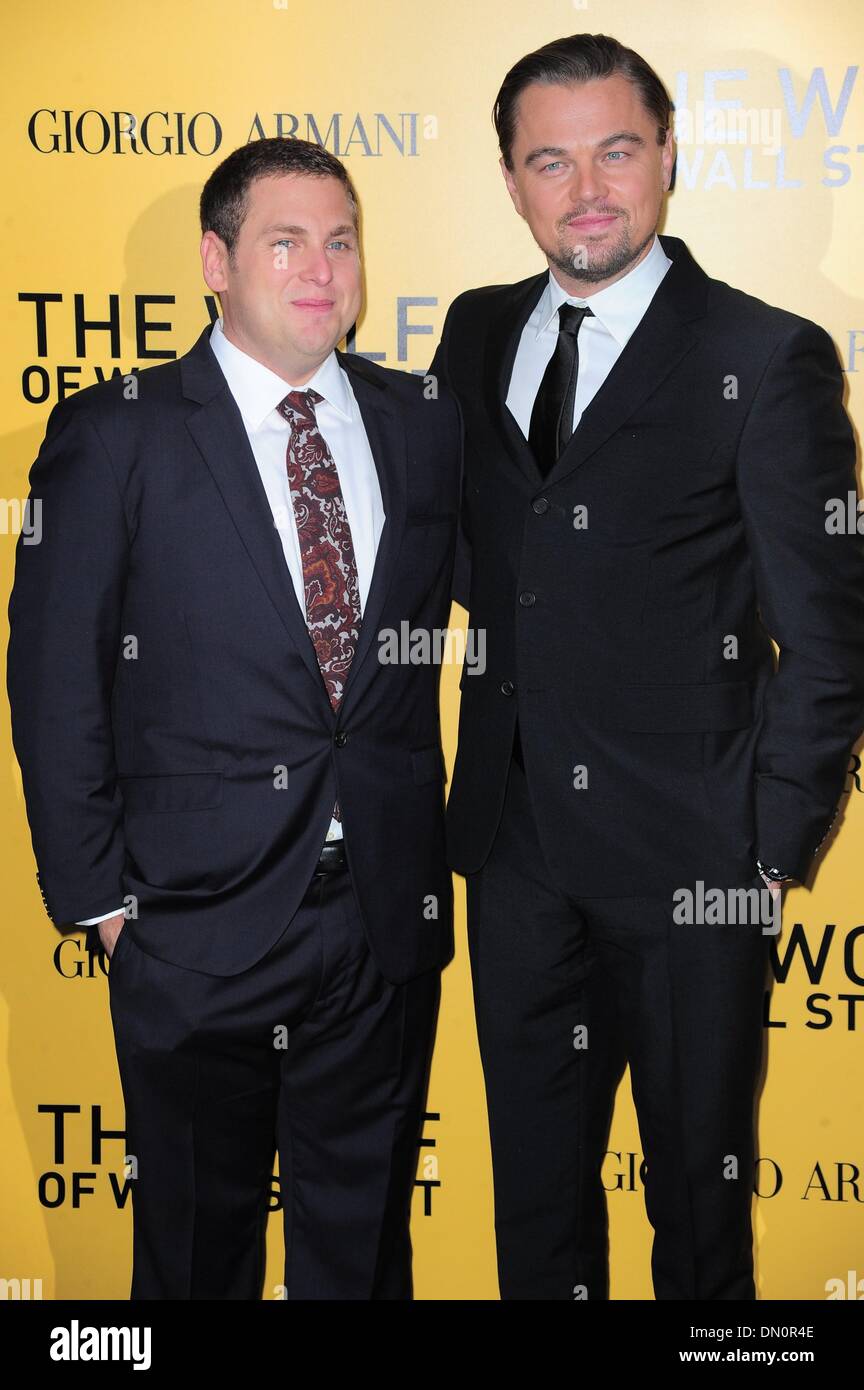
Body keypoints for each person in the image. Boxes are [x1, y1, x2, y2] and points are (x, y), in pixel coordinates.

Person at [430, 32, 864, 1299]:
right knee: (538, 1206)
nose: (587, 190)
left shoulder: (766, 355)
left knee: (699, 1206)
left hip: (691, 867)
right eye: (549, 161)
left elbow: (830, 636)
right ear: (511, 181)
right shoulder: (473, 332)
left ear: (669, 156)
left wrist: (767, 850)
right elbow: (482, 562)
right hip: (511, 853)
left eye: (616, 150)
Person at [8, 136, 461, 1300]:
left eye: (341, 240)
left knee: (361, 1256)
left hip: (377, 923)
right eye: (284, 241)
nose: (321, 269)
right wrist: (105, 908)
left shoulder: (418, 419)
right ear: (216, 261)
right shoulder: (119, 432)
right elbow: (56, 683)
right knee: (198, 1256)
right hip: (192, 929)